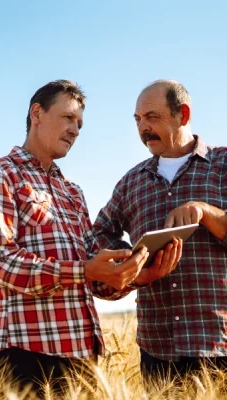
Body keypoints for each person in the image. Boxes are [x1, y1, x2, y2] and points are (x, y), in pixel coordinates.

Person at [0, 80, 180, 396]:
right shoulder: (0, 174)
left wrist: (137, 275)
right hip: (27, 353)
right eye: (68, 118)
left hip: (84, 357)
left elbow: (94, 277)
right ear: (37, 113)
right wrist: (84, 270)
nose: (75, 129)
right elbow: (2, 262)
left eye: (79, 124)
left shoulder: (73, 192)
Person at [93, 79, 227, 384]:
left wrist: (206, 213)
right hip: (157, 352)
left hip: (219, 343)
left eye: (152, 117)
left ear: (183, 114)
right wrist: (132, 269)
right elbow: (98, 234)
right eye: (138, 120)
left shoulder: (223, 164)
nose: (143, 128)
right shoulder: (132, 182)